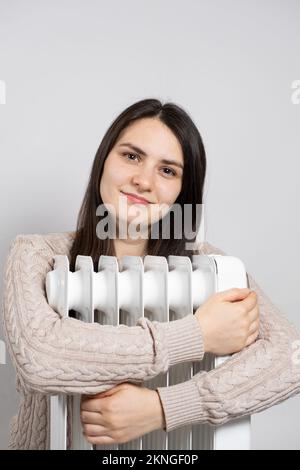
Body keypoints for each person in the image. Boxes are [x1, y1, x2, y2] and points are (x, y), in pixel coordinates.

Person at [2, 99, 300, 450]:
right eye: (131, 156)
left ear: (181, 193)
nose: (143, 180)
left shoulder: (212, 267)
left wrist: (162, 407)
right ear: (103, 161)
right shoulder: (37, 255)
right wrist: (196, 335)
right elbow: (40, 357)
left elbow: (290, 357)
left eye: (168, 170)